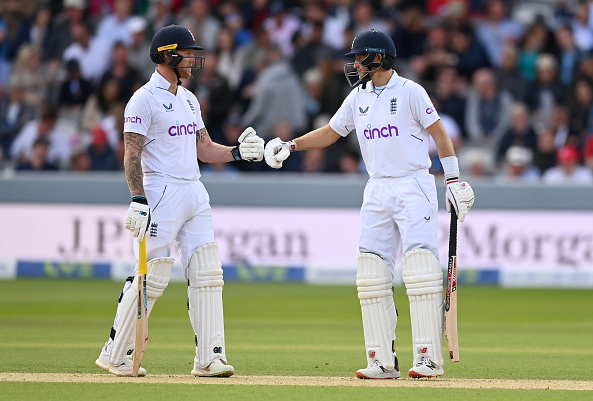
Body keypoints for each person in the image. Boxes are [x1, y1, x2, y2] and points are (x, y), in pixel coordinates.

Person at [264, 29, 475, 379]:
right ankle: (381, 360)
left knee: (420, 269)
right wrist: (291, 145)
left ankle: (427, 359)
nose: (354, 65)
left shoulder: (410, 91)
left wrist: (452, 179)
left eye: (360, 58)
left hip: (413, 184)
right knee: (371, 272)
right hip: (376, 188)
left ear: (378, 58)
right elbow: (332, 132)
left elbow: (439, 133)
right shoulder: (357, 96)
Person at [95, 25, 264, 377]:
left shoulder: (189, 99)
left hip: (194, 191)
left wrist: (237, 153)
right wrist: (138, 198)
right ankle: (117, 353)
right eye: (187, 54)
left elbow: (204, 147)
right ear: (168, 55)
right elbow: (131, 153)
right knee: (151, 275)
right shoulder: (143, 98)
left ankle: (209, 357)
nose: (193, 60)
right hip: (161, 191)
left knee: (207, 272)